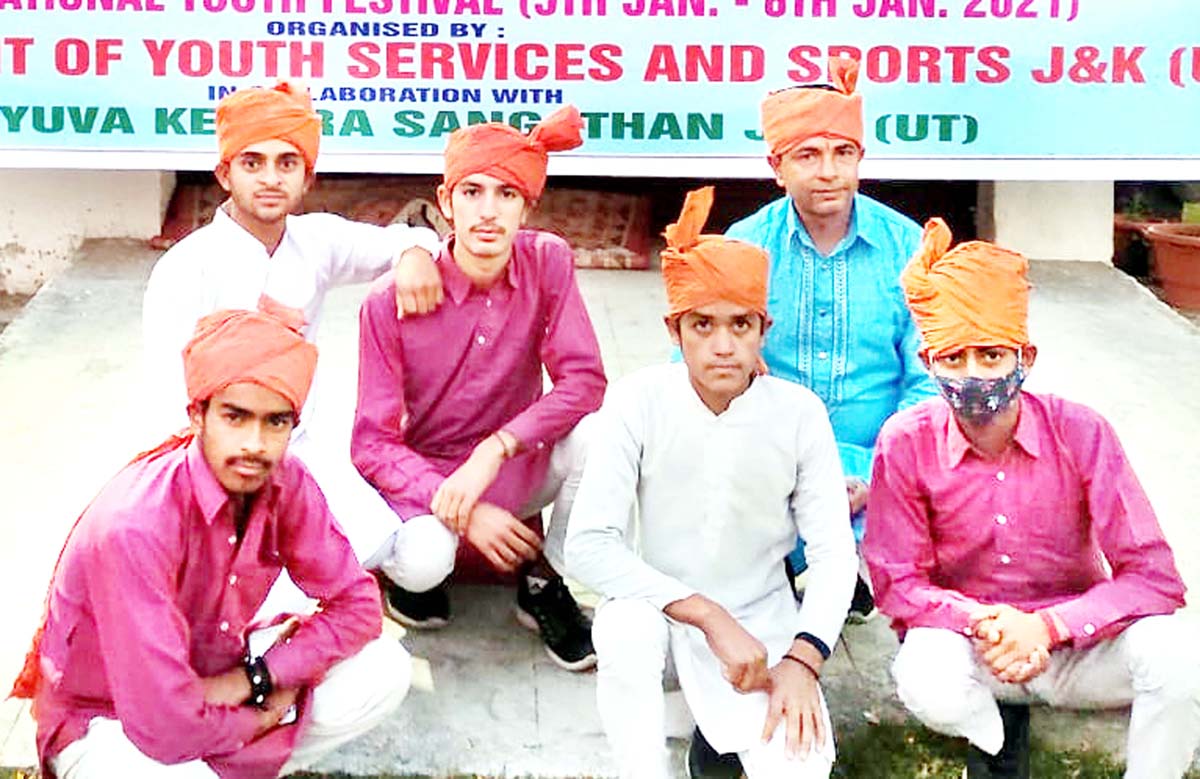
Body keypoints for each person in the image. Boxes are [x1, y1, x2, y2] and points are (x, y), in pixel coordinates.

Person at [863, 218, 1200, 779]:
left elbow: (1154, 579)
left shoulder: (1082, 431)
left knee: (1180, 656)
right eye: (953, 358)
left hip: (1077, 648)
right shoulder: (905, 441)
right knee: (924, 677)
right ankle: (996, 741)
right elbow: (898, 583)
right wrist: (987, 624)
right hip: (974, 647)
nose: (972, 375)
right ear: (928, 364)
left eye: (991, 356)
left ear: (1027, 358)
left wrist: (1046, 628)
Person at [10, 307, 408, 779]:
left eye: (275, 422)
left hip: (220, 674)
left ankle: (228, 761)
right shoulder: (135, 526)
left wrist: (258, 677)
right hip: (113, 718)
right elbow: (163, 725)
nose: (255, 445)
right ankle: (233, 754)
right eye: (235, 417)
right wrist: (261, 713)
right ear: (197, 415)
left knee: (383, 669)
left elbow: (358, 605)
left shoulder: (286, 482)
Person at [565, 187, 858, 778]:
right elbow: (588, 546)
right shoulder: (637, 402)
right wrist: (705, 615)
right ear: (675, 330)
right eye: (703, 324)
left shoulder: (800, 413)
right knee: (623, 624)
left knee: (799, 769)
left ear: (763, 329)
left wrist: (804, 659)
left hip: (765, 629)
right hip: (663, 621)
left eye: (740, 325)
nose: (723, 346)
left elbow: (833, 555)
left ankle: (714, 733)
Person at [142, 80, 444, 605]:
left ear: (306, 178)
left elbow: (409, 240)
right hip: (219, 462)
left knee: (428, 556)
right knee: (270, 603)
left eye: (287, 164)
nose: (270, 178)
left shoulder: (315, 241)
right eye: (253, 163)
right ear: (224, 174)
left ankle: (341, 579)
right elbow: (170, 398)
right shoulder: (186, 267)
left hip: (306, 455)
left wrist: (415, 253)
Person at [351, 105, 606, 671]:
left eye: (506, 194)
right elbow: (371, 443)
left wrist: (498, 448)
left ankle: (545, 580)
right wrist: (463, 509)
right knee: (424, 560)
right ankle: (413, 586)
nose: (488, 212)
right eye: (472, 192)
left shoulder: (548, 261)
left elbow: (584, 380)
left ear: (527, 207)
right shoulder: (387, 302)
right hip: (433, 480)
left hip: (514, 463)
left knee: (601, 436)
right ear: (445, 203)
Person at [726, 56, 936, 617]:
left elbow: (930, 379)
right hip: (768, 462)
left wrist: (870, 472)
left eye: (843, 153)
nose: (828, 172)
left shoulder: (907, 247)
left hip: (884, 463)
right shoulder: (743, 248)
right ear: (777, 166)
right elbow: (703, 372)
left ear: (860, 159)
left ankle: (841, 572)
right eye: (808, 155)